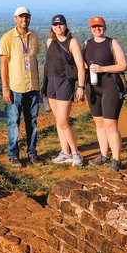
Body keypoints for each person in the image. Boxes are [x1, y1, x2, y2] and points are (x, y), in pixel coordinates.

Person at [82, 16, 127, 172]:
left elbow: (123, 65)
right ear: (90, 29)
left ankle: (116, 159)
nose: (97, 29)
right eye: (94, 27)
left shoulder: (112, 43)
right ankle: (103, 155)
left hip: (110, 86)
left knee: (110, 125)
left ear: (105, 27)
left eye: (99, 26)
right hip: (93, 87)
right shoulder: (86, 44)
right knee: (99, 123)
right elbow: (81, 64)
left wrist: (102, 69)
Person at [0, 6, 43, 167]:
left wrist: (38, 85)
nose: (24, 20)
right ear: (15, 19)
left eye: (27, 17)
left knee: (32, 122)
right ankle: (13, 154)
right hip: (15, 87)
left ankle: (32, 152)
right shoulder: (8, 38)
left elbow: (34, 61)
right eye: (21, 17)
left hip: (32, 86)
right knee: (13, 122)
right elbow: (3, 64)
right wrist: (5, 88)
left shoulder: (35, 36)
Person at [41, 14, 86, 166]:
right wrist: (44, 84)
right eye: (55, 25)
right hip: (51, 82)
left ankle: (76, 153)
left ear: (66, 26)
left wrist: (81, 86)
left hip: (65, 82)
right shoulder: (49, 42)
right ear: (52, 27)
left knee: (63, 121)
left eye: (61, 24)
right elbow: (48, 65)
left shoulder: (72, 42)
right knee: (58, 122)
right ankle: (65, 152)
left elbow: (80, 66)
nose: (58, 27)